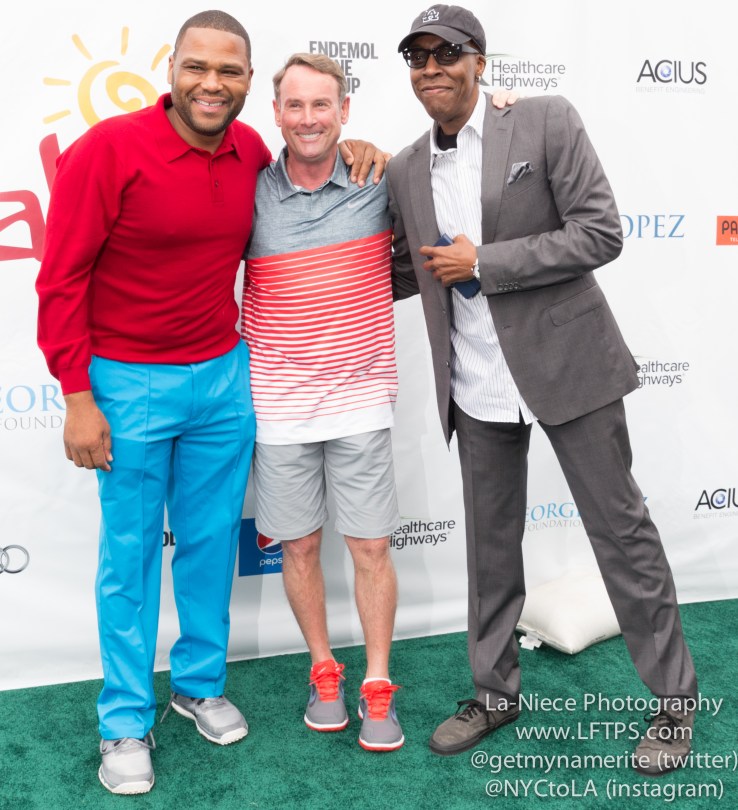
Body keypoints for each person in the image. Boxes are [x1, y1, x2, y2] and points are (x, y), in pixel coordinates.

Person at [35, 11, 382, 795]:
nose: (211, 84)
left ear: (248, 84)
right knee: (128, 558)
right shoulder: (108, 152)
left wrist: (364, 150)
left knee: (206, 542)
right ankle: (124, 720)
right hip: (127, 383)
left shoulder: (253, 150)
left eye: (229, 73)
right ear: (172, 68)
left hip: (225, 376)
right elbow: (59, 281)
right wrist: (77, 394)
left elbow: (317, 162)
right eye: (198, 68)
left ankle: (197, 683)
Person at [387, 4, 698, 774]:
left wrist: (485, 262)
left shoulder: (547, 120)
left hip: (571, 368)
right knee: (491, 552)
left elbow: (601, 231)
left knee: (622, 534)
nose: (431, 68)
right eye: (416, 56)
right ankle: (494, 692)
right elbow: (399, 269)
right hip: (475, 383)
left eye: (446, 52)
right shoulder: (401, 168)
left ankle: (673, 702)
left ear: (480, 61)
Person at [242, 53, 404, 752]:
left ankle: (376, 682)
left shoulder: (381, 181)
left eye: (322, 105)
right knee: (301, 547)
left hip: (362, 399)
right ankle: (323, 669)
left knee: (369, 545)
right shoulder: (248, 195)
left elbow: (459, 183)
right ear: (275, 113)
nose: (309, 118)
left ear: (344, 111)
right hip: (278, 407)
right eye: (295, 106)